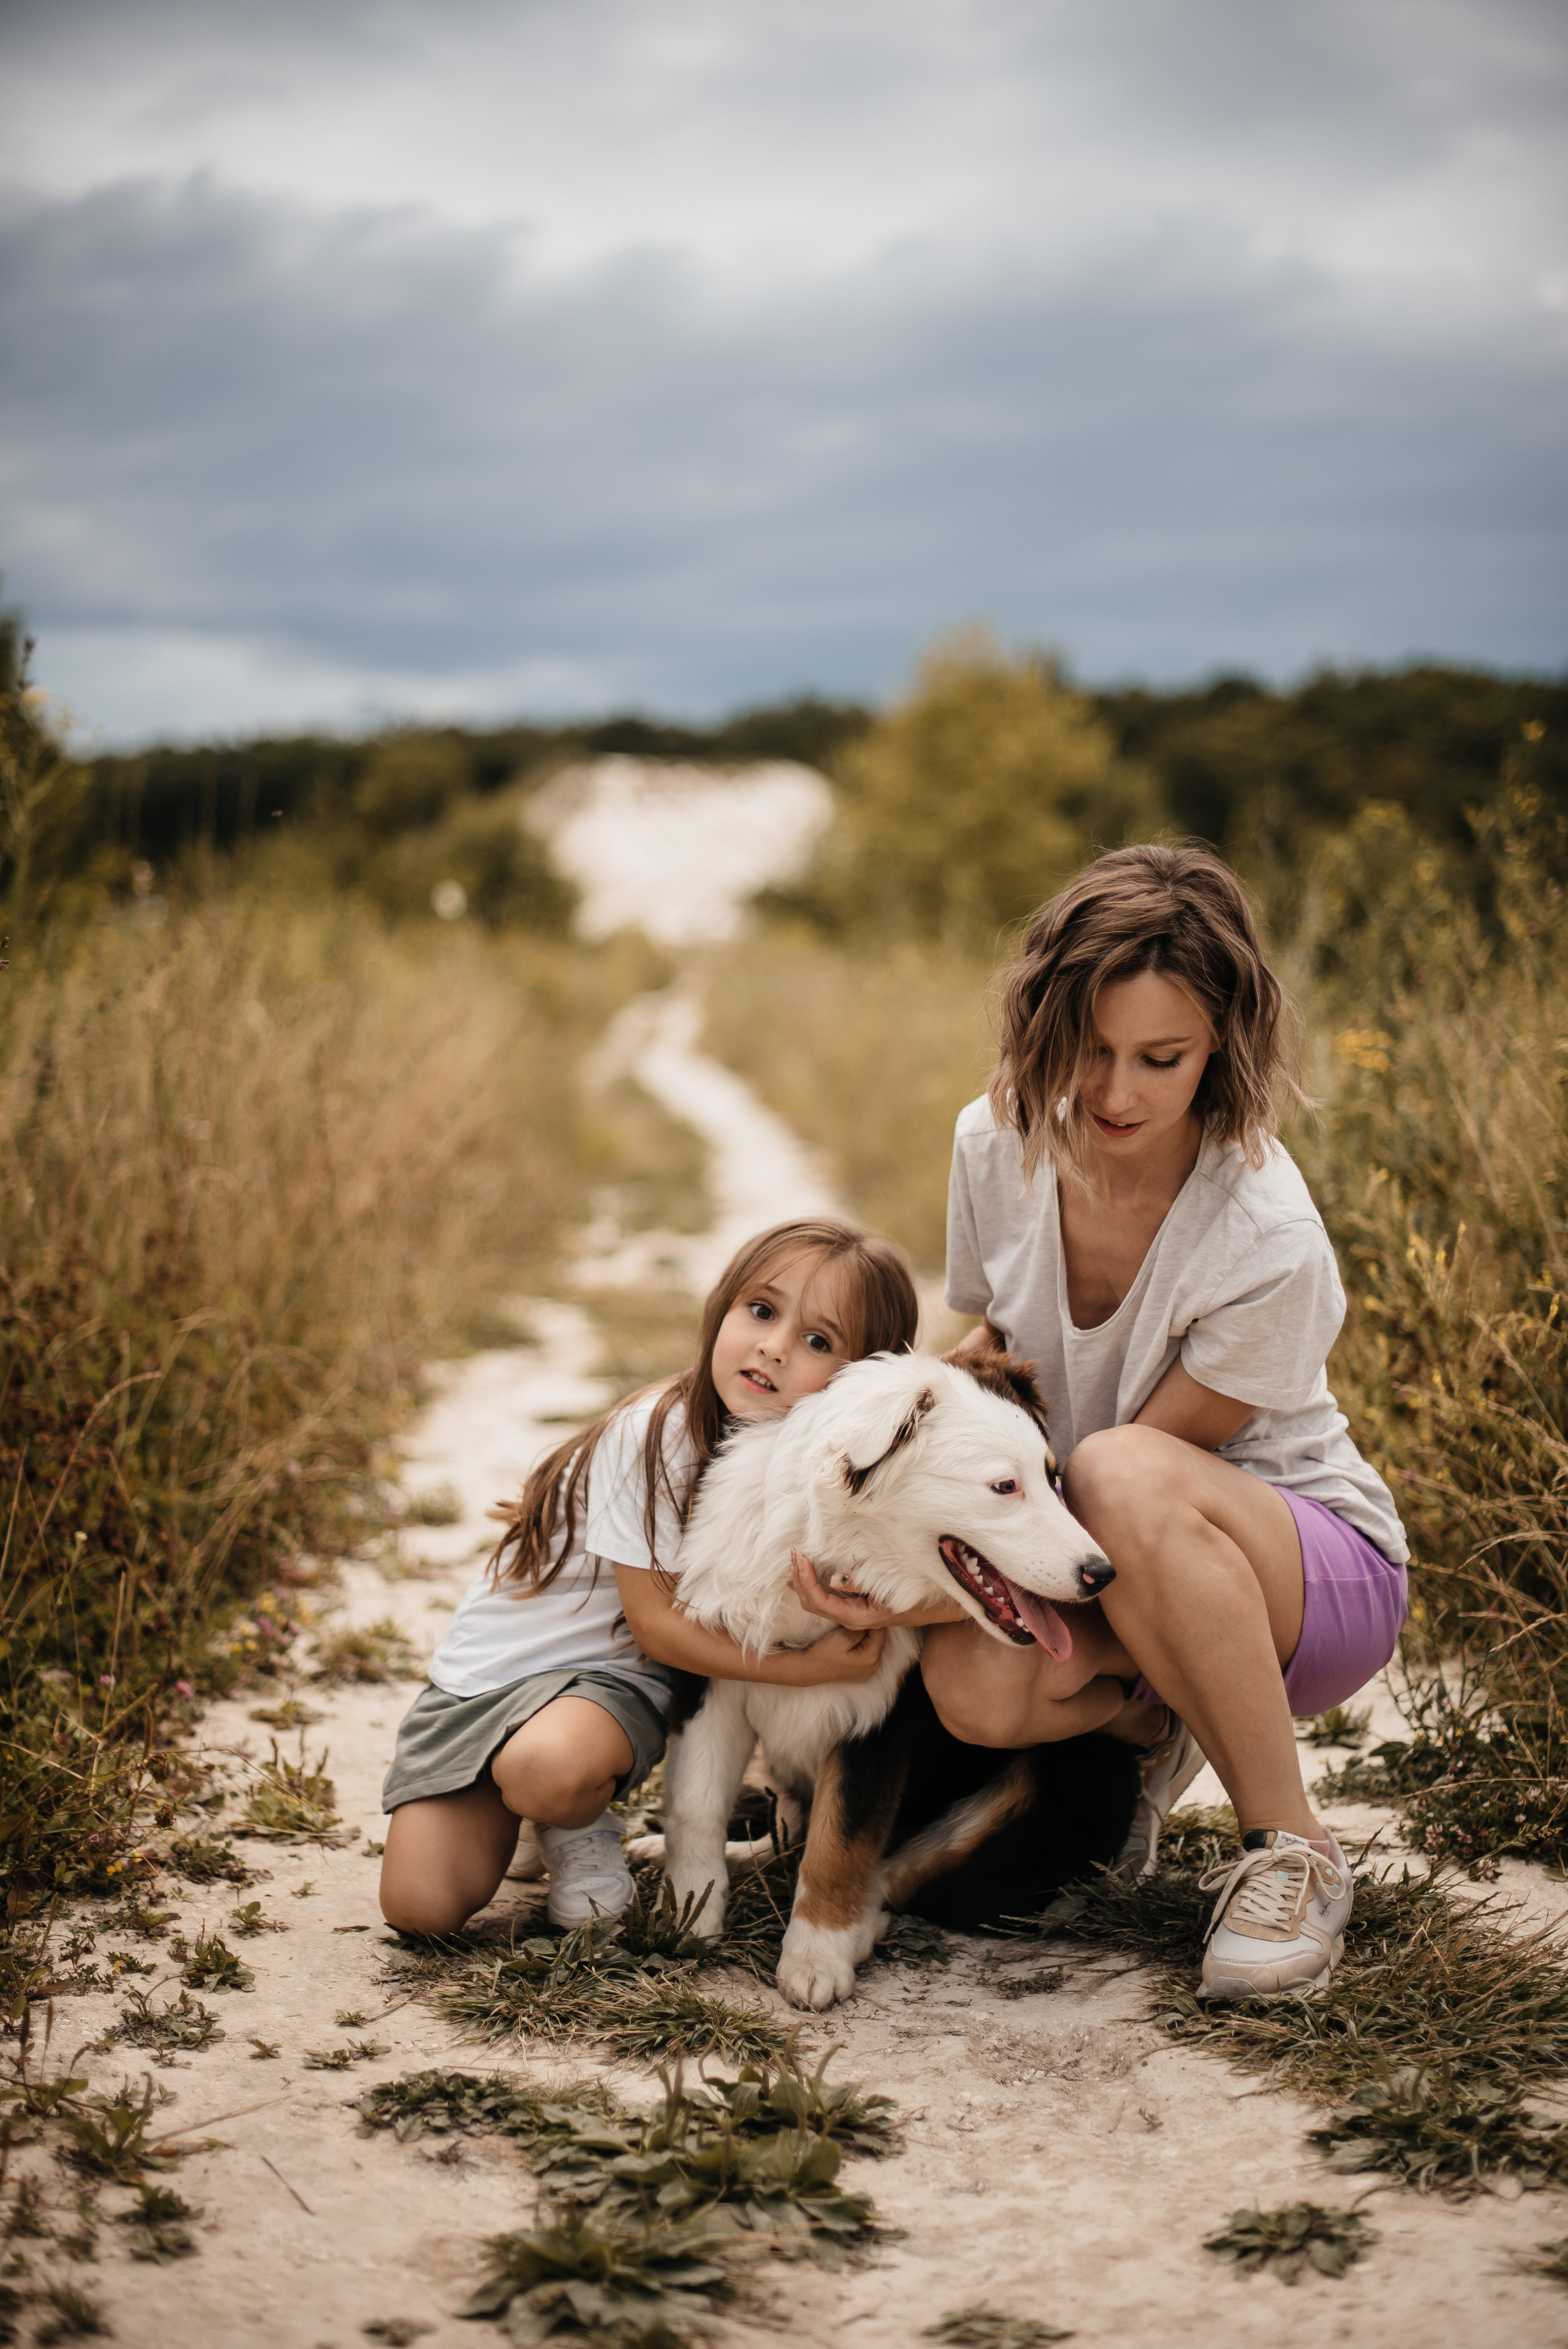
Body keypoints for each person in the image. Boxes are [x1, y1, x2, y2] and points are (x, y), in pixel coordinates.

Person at [790, 842, 1408, 2000]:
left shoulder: (1265, 1232)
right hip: (1082, 1539)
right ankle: (1144, 1743)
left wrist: (921, 1585)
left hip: (1300, 1571)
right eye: (1089, 1052)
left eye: (1160, 1058)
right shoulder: (995, 1140)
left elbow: (1126, 1478)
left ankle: (1293, 1849)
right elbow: (993, 1373)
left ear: (1222, 1041)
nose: (1116, 1093)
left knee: (1124, 1465)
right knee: (974, 1691)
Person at [379, 1217, 918, 1937]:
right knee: (420, 1910)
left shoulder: (818, 1460)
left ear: (863, 1380)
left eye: (818, 1341)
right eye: (760, 1310)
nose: (773, 1347)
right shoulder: (658, 1431)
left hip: (606, 1685)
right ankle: (546, 1802)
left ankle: (572, 1815)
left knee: (549, 1770)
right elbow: (658, 1627)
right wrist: (806, 1667)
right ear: (722, 1305)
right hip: (493, 1674)